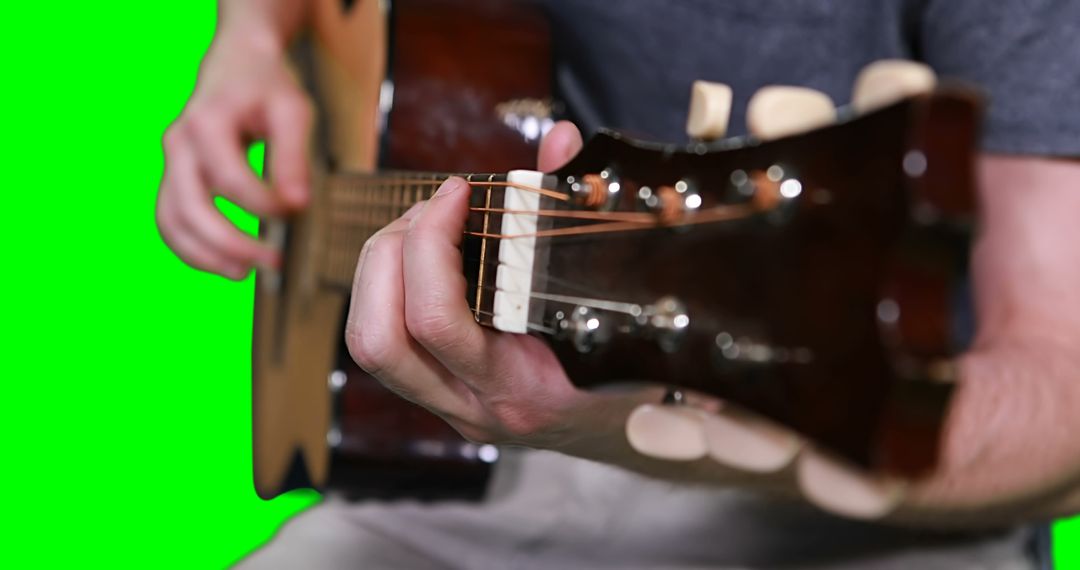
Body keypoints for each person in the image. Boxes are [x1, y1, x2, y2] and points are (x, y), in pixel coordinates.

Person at [157, 0, 1080, 567]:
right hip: (475, 494)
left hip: (874, 503)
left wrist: (610, 427)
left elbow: (1064, 394)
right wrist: (250, 36)